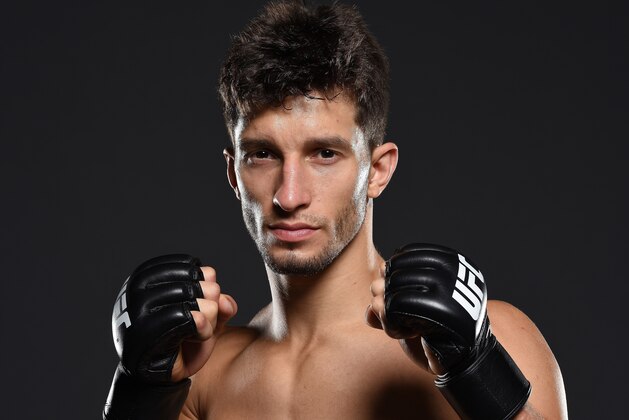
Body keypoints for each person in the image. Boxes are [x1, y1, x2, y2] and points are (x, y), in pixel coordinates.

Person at [103, 1, 568, 419]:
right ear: (233, 174)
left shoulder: (489, 335)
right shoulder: (205, 375)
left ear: (378, 170)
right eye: (262, 154)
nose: (289, 196)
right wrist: (141, 394)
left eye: (324, 154)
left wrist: (476, 372)